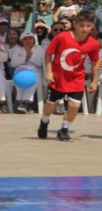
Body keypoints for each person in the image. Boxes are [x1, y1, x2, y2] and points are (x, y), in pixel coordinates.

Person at [38, 11, 100, 141]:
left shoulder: (93, 43)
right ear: (75, 24)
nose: (85, 29)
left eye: (88, 26)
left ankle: (64, 129)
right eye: (82, 25)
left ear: (92, 26)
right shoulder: (62, 37)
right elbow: (48, 53)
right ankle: (44, 121)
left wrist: (94, 81)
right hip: (58, 77)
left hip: (77, 78)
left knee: (74, 105)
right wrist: (49, 72)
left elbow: (95, 62)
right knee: (51, 105)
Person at [9, 32, 44, 114]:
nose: (28, 41)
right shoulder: (18, 49)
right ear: (22, 41)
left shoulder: (40, 49)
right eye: (25, 39)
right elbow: (13, 63)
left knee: (32, 77)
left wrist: (31, 55)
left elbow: (40, 63)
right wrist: (25, 57)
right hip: (21, 70)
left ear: (34, 40)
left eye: (30, 38)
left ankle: (25, 102)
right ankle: (21, 101)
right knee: (19, 76)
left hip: (35, 71)